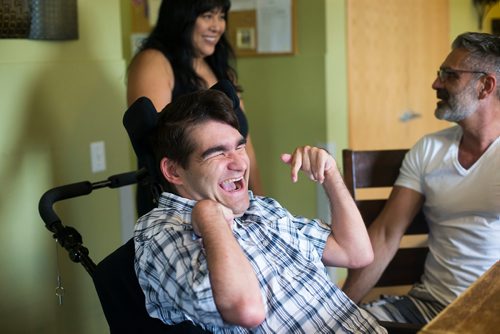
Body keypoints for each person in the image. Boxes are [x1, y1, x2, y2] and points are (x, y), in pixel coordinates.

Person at [133, 89, 387, 333]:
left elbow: (356, 254)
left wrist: (330, 175)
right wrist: (210, 215)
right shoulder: (159, 230)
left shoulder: (260, 208)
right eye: (217, 153)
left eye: (239, 147)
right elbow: (246, 310)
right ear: (174, 171)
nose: (240, 163)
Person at [342, 32, 500, 324]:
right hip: (429, 305)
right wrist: (339, 312)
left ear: (485, 86)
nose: (436, 83)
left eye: (449, 75)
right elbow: (387, 234)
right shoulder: (428, 149)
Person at [127, 0, 263, 216]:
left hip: (229, 196)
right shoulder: (154, 62)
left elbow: (246, 143)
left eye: (221, 16)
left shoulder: (220, 70)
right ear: (181, 18)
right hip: (185, 210)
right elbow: (161, 146)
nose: (217, 26)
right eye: (207, 16)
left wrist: (258, 202)